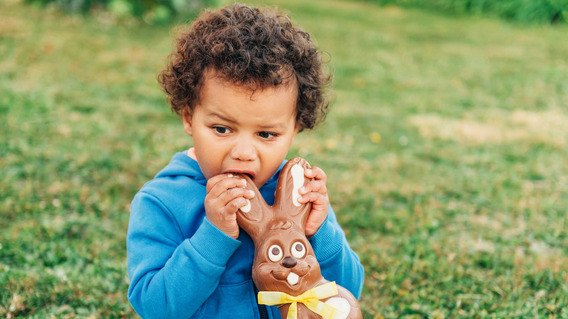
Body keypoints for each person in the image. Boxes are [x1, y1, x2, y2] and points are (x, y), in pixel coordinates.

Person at [127, 3, 364, 318]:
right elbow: (155, 307)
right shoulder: (161, 202)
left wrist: (320, 231)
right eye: (222, 129)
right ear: (188, 117)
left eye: (266, 134)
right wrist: (212, 236)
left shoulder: (296, 195)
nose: (243, 152)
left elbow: (347, 292)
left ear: (294, 129)